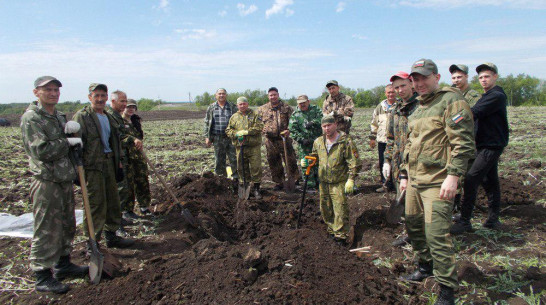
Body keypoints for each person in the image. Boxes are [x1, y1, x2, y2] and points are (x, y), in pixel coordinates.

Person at [399, 59, 475, 305]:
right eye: (415, 79)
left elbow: (462, 143)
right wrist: (403, 174)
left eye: (424, 78)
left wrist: (453, 176)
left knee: (436, 236)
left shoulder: (451, 101)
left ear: (437, 77)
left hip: (438, 181)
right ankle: (425, 266)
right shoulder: (419, 107)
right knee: (413, 226)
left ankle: (446, 290)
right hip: (415, 180)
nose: (419, 83)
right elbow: (411, 144)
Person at [21, 76, 88, 294]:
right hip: (47, 181)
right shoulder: (32, 118)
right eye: (48, 89)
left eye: (56, 89)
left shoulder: (58, 116)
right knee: (47, 227)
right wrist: (66, 142)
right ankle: (41, 275)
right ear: (36, 92)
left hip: (64, 178)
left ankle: (63, 264)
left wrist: (72, 136)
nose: (53, 93)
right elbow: (40, 150)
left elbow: (67, 146)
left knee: (67, 224)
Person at [73, 83, 135, 249]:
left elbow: (114, 142)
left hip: (109, 163)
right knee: (95, 204)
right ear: (90, 97)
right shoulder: (82, 117)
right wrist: (76, 171)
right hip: (92, 166)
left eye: (102, 95)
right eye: (96, 96)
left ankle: (112, 236)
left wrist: (119, 163)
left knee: (112, 201)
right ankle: (92, 243)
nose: (100, 99)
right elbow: (75, 145)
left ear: (107, 97)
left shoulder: (107, 117)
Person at [450, 63, 509, 234]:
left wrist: (451, 120)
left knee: (470, 179)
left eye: (487, 76)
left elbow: (472, 112)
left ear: (495, 77)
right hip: (484, 144)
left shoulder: (496, 95)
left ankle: (465, 221)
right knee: (490, 182)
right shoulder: (487, 95)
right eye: (481, 77)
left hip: (491, 145)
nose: (483, 80)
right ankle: (493, 219)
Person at [302, 115, 362, 245]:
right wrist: (307, 161)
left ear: (335, 125)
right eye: (324, 126)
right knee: (326, 208)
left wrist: (351, 179)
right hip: (324, 181)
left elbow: (354, 162)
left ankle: (340, 236)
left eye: (329, 125)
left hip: (338, 182)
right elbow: (315, 157)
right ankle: (331, 230)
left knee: (340, 209)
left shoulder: (345, 141)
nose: (327, 128)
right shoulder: (318, 141)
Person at [384, 72, 419, 247]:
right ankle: (410, 233)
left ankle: (423, 236)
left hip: (418, 164)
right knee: (403, 199)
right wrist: (387, 160)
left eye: (403, 85)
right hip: (399, 164)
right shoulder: (395, 109)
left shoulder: (421, 106)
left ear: (411, 84)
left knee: (418, 202)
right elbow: (390, 138)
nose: (400, 90)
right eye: (396, 87)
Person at [257, 87, 300, 191]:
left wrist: (289, 130)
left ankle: (294, 180)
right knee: (273, 161)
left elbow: (294, 121)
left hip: (284, 139)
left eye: (275, 95)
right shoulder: (262, 109)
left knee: (290, 160)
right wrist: (261, 129)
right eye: (271, 95)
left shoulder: (286, 107)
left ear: (278, 95)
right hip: (270, 140)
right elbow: (257, 123)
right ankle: (279, 182)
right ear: (268, 96)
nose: (273, 97)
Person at [225, 97, 264, 199]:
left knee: (256, 167)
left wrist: (247, 132)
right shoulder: (234, 117)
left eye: (244, 104)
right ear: (237, 106)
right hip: (240, 146)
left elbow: (259, 127)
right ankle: (245, 186)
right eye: (240, 104)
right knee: (242, 167)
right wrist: (236, 133)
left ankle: (256, 189)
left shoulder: (255, 115)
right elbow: (228, 130)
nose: (242, 106)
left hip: (253, 146)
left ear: (247, 104)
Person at [120, 99, 152, 220]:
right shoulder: (119, 122)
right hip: (126, 157)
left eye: (133, 107)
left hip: (138, 156)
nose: (131, 109)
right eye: (128, 107)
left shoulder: (135, 121)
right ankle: (128, 210)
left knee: (142, 180)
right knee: (128, 184)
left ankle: (144, 206)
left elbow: (140, 137)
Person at [203, 88, 238, 183]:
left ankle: (236, 180)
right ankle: (221, 180)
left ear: (226, 95)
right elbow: (207, 123)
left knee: (234, 159)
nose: (221, 95)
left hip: (231, 138)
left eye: (223, 94)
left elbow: (238, 121)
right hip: (217, 138)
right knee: (219, 160)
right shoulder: (211, 107)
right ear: (216, 95)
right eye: (219, 94)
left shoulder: (232, 107)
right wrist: (207, 137)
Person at [288, 95, 323, 188]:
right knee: (306, 163)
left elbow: (323, 119)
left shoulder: (316, 110)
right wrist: (301, 139)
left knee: (319, 162)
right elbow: (292, 130)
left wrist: (313, 122)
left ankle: (320, 183)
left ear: (308, 101)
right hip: (304, 145)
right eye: (300, 103)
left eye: (304, 102)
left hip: (318, 142)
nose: (302, 105)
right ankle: (309, 184)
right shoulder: (295, 115)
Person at [370, 85, 397, 192]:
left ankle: (397, 185)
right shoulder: (380, 107)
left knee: (396, 163)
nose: (390, 94)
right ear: (385, 93)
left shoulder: (400, 105)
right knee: (382, 162)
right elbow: (374, 123)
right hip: (382, 140)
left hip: (397, 141)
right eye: (388, 92)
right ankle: (385, 184)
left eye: (392, 92)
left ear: (396, 93)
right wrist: (372, 138)